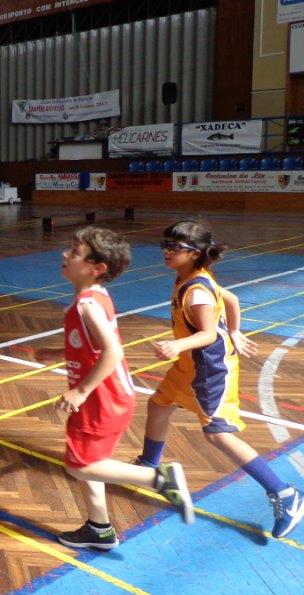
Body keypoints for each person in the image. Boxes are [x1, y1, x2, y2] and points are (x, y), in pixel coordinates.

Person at [136, 220, 304, 539]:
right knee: (158, 406)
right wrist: (237, 330)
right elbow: (231, 300)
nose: (167, 252)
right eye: (165, 245)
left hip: (210, 369)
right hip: (189, 364)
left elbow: (208, 333)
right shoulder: (191, 278)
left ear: (196, 253)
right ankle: (149, 467)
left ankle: (285, 494)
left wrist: (177, 344)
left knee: (218, 434)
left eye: (175, 247)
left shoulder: (196, 290)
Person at [43, 227, 193, 551]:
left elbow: (113, 352)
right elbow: (93, 346)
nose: (65, 255)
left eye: (75, 252)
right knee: (90, 460)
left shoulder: (87, 305)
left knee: (79, 465)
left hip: (101, 398)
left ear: (97, 268)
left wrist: (81, 391)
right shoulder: (95, 296)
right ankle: (99, 528)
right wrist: (57, 354)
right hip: (108, 395)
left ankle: (159, 480)